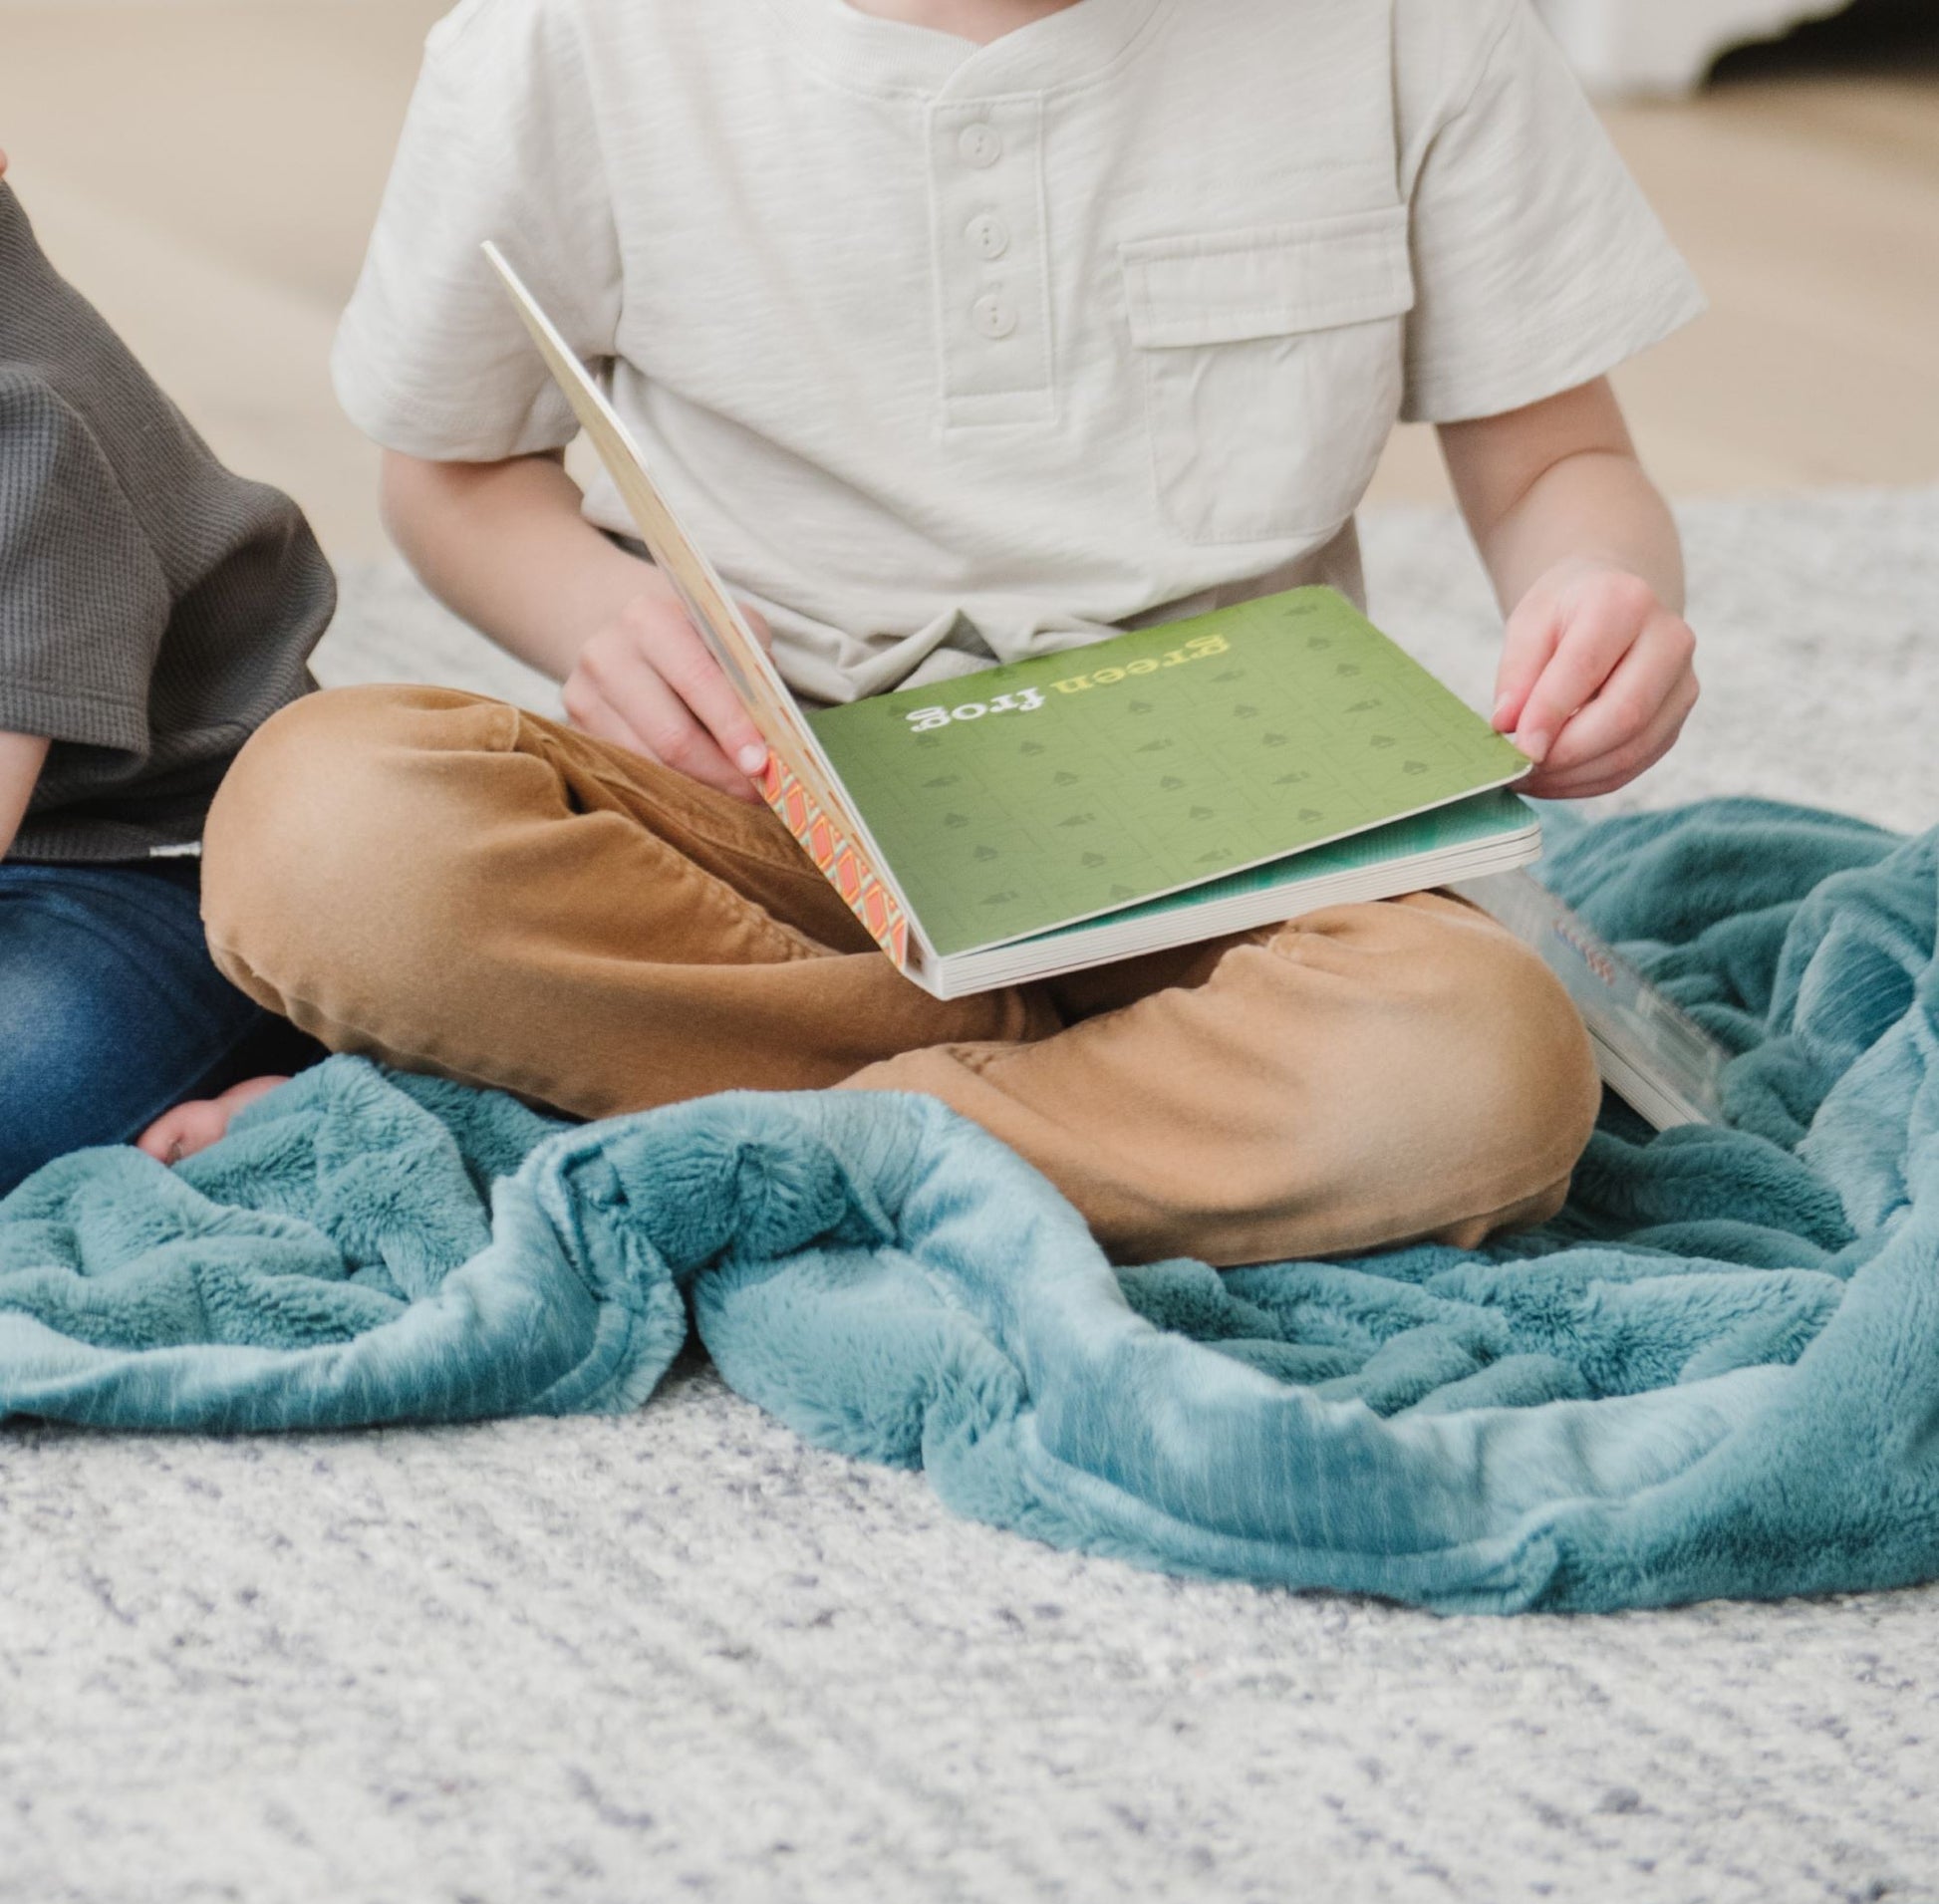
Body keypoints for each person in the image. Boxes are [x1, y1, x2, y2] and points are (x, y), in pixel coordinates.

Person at [182, 0, 1707, 1266]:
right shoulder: (572, 41)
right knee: (317, 818)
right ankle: (1030, 1114)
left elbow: (1560, 464)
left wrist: (1602, 595)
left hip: (1236, 865)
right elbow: (454, 475)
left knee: (1473, 1068)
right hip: (773, 819)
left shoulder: (1401, 23)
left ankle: (721, 1143)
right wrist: (598, 610)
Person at [0, 152, 331, 1194]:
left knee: (25, 1071)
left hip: (169, 868)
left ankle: (314, 1072)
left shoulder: (28, 424)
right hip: (40, 828)